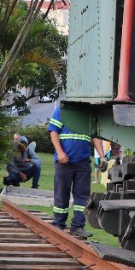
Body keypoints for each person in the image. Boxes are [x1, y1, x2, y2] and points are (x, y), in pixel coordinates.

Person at [47, 96, 104, 238]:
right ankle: (58, 225)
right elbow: (53, 131)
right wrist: (60, 152)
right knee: (62, 194)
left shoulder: (88, 113)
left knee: (82, 197)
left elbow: (95, 136)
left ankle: (78, 227)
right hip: (63, 162)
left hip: (83, 162)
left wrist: (102, 156)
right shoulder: (62, 110)